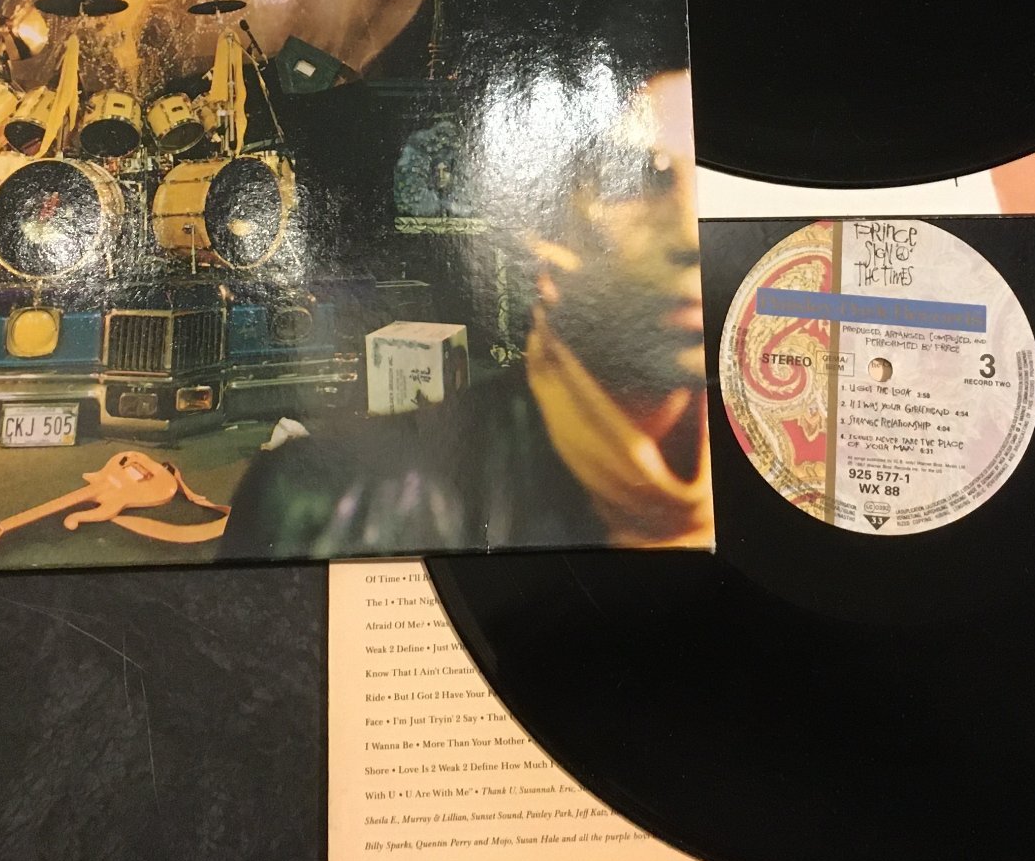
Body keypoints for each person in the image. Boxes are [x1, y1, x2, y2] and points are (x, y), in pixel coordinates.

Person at [218, 54, 711, 558]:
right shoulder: (319, 509)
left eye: (714, 179)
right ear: (544, 228)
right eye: (646, 179)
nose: (694, 232)